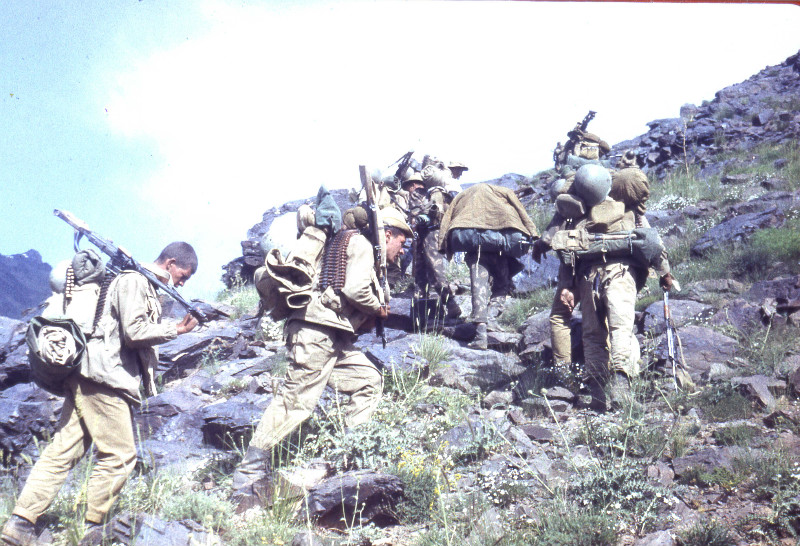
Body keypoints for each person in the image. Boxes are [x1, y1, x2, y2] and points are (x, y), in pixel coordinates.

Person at [1, 242, 200, 546]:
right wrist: (177, 330)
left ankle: (19, 524)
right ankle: (90, 528)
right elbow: (134, 332)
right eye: (183, 276)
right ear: (171, 263)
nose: (182, 283)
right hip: (106, 378)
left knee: (62, 452)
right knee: (120, 455)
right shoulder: (135, 281)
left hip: (91, 375)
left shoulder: (140, 282)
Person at [231, 207, 413, 511]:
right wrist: (378, 308)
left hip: (333, 336)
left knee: (368, 380)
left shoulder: (349, 244)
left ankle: (350, 453)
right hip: (316, 332)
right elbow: (355, 290)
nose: (402, 250)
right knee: (296, 401)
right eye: (401, 243)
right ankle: (248, 472)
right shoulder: (362, 244)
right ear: (388, 234)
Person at [554, 164, 673, 412]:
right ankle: (621, 387)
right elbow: (653, 244)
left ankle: (598, 395)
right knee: (621, 327)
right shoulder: (629, 210)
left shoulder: (580, 216)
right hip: (621, 274)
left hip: (588, 278)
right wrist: (665, 273)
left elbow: (567, 255)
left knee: (592, 334)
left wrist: (567, 286)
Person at [439, 183, 539, 350]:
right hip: (499, 250)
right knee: (502, 284)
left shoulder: (465, 195)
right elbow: (521, 212)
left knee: (478, 288)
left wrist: (443, 243)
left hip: (475, 249)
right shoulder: (504, 192)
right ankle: (491, 316)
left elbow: (448, 217)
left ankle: (481, 334)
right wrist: (533, 233)